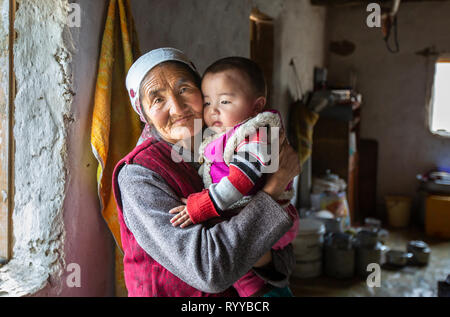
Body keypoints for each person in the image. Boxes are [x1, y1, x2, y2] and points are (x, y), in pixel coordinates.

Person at [112, 48, 301, 297]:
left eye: (184, 89)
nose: (177, 107)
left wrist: (259, 255)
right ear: (144, 115)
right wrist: (274, 189)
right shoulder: (139, 175)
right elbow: (209, 271)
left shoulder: (228, 144)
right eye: (157, 100)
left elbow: (283, 263)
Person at [169, 57, 299, 297]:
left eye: (225, 101)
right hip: (244, 218)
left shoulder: (258, 135)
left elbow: (240, 181)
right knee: (245, 279)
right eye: (207, 103)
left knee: (262, 283)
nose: (213, 110)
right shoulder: (226, 135)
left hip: (265, 218)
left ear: (256, 107)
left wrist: (200, 207)